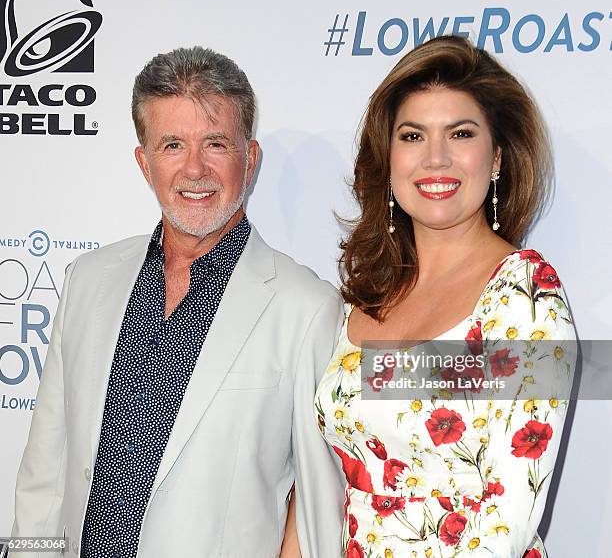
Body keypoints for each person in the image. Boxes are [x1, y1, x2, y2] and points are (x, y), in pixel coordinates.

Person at [11, 47, 344, 558]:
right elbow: (45, 474)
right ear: (144, 163)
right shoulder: (87, 280)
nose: (195, 169)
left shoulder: (307, 308)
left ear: (249, 160)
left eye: (216, 143)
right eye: (172, 145)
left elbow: (319, 506)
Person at [313, 35, 576, 557]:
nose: (435, 159)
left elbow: (508, 517)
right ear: (387, 161)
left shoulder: (527, 297)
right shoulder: (363, 299)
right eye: (412, 136)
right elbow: (319, 481)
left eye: (460, 134)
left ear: (497, 157)